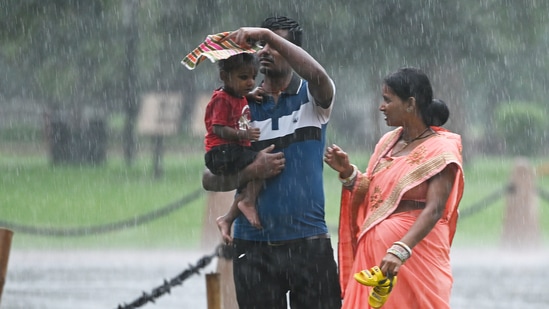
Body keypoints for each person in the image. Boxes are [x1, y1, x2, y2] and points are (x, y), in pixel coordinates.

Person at [202, 16, 342, 309]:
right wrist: (252, 171)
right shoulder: (240, 102)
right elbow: (209, 178)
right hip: (253, 248)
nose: (265, 50)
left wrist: (266, 34)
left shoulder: (312, 98)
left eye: (276, 45)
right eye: (262, 45)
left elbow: (318, 76)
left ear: (294, 53)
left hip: (309, 243)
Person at [324, 67, 464, 309]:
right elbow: (374, 194)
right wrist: (347, 172)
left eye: (388, 100)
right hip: (373, 255)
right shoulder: (387, 143)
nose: (381, 106)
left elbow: (435, 209)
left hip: (414, 256)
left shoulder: (441, 150)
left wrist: (400, 250)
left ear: (410, 104)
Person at [203, 52, 265, 243]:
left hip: (229, 151)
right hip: (221, 153)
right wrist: (243, 135)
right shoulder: (222, 99)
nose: (250, 82)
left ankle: (229, 216)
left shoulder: (238, 96)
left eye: (254, 77)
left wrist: (251, 96)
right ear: (224, 76)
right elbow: (218, 128)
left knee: (259, 166)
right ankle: (246, 201)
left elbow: (241, 103)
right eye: (243, 77)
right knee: (262, 162)